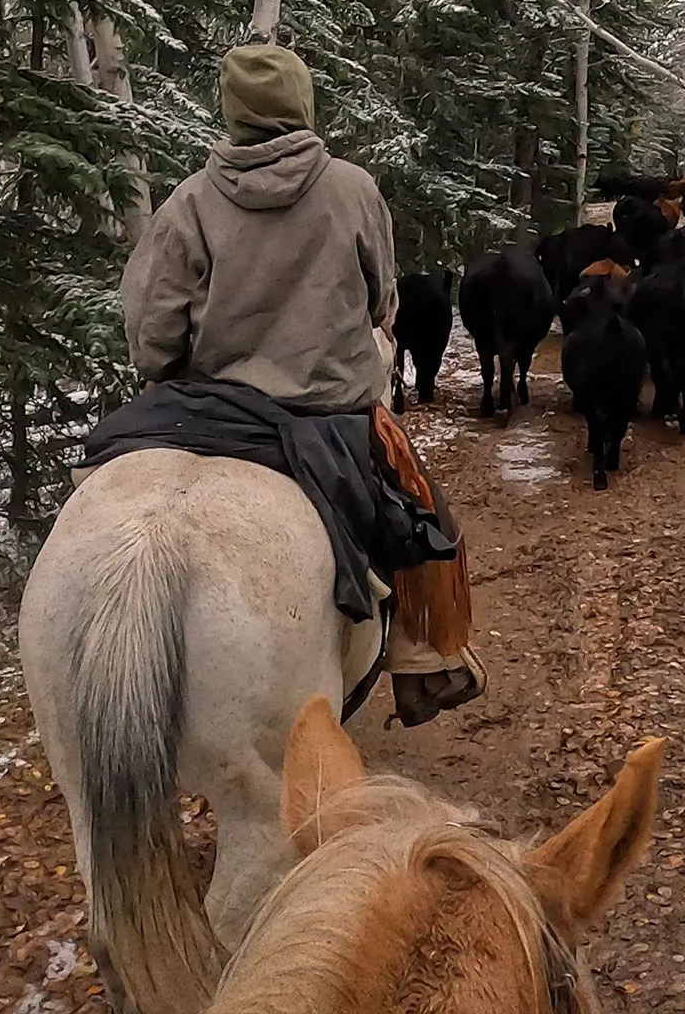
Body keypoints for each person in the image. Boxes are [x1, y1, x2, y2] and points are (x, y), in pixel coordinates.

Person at [116, 42, 482, 725]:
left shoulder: (188, 203)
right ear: (303, 102)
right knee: (420, 511)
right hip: (327, 418)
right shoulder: (352, 188)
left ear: (231, 113)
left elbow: (152, 340)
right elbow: (381, 304)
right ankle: (422, 660)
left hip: (205, 411)